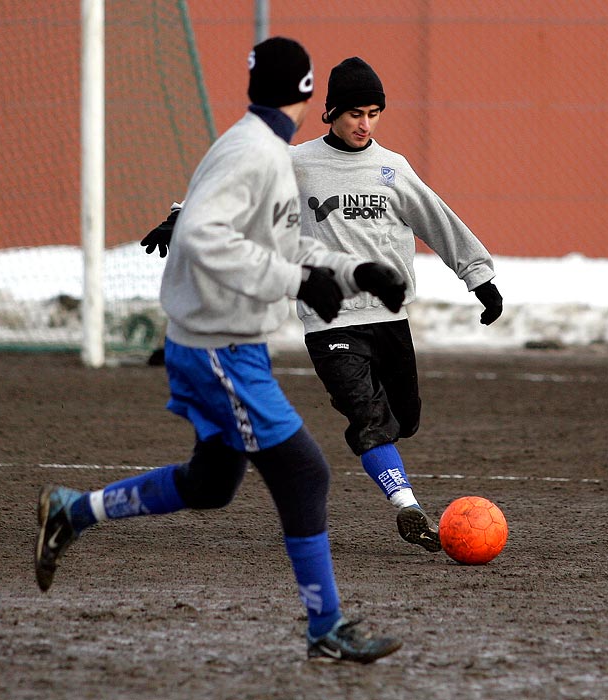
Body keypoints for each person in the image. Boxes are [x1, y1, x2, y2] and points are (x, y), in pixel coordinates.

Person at [35, 38, 410, 664]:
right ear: (310, 94)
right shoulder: (254, 154)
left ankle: (72, 512)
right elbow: (207, 239)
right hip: (218, 349)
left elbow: (285, 244)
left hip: (227, 345)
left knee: (211, 484)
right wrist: (297, 282)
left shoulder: (256, 146)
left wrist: (355, 273)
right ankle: (326, 628)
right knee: (306, 472)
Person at [289, 57, 504, 554]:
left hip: (390, 318)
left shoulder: (392, 168)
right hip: (331, 319)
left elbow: (438, 220)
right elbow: (237, 194)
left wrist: (480, 277)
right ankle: (407, 507)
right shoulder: (296, 165)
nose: (364, 124)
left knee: (402, 420)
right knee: (366, 415)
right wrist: (181, 218)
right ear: (331, 114)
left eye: (374, 113)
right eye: (354, 114)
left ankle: (390, 450)